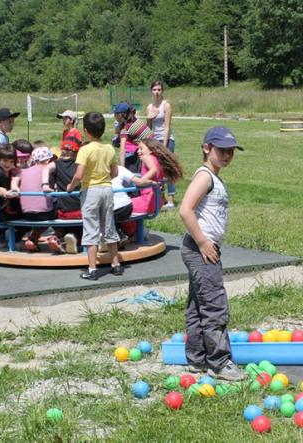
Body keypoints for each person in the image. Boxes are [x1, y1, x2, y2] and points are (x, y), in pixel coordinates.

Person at [178, 126, 245, 381]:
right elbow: (185, 210)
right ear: (207, 148)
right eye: (222, 150)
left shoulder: (213, 176)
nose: (227, 155)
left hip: (200, 247)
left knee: (198, 303)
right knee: (215, 304)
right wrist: (203, 241)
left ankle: (196, 359)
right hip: (201, 248)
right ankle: (220, 362)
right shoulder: (205, 176)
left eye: (231, 151)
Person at [67, 112, 123, 280]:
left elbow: (78, 175)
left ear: (85, 131)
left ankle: (92, 269)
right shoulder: (109, 148)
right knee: (109, 227)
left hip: (90, 191)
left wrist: (70, 187)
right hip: (107, 190)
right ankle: (116, 265)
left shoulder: (85, 150)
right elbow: (115, 172)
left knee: (91, 229)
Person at [42, 135, 82, 253]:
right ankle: (76, 239)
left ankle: (58, 238)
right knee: (84, 225)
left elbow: (46, 169)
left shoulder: (56, 164)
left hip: (63, 212)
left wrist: (44, 184)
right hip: (79, 211)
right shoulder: (79, 164)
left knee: (60, 220)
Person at [12, 146, 54, 252]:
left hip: (26, 213)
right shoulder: (48, 171)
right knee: (61, 210)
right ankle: (58, 237)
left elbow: (14, 180)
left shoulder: (23, 172)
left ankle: (33, 238)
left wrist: (15, 188)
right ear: (48, 160)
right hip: (44, 214)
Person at [146, 80, 177, 209]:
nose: (157, 92)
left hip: (166, 140)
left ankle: (171, 200)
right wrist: (149, 118)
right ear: (151, 91)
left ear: (162, 91)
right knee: (157, 170)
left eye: (159, 89)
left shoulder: (166, 105)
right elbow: (149, 128)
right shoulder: (149, 107)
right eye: (154, 90)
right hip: (154, 140)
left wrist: (164, 145)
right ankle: (162, 199)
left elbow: (167, 127)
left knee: (167, 170)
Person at [113, 102, 153, 173]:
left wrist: (122, 170)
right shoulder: (136, 120)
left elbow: (122, 151)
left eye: (115, 114)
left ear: (120, 115)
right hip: (153, 146)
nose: (114, 116)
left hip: (149, 150)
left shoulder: (125, 128)